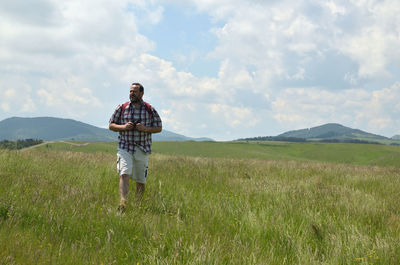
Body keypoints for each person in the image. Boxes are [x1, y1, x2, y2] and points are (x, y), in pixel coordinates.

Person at [109, 82, 162, 212]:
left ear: (142, 93)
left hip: (142, 148)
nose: (131, 93)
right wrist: (123, 127)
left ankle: (138, 207)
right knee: (124, 173)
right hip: (125, 147)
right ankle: (123, 203)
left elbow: (159, 128)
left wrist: (145, 129)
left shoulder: (150, 109)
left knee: (140, 180)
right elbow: (111, 125)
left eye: (135, 91)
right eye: (130, 91)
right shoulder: (122, 107)